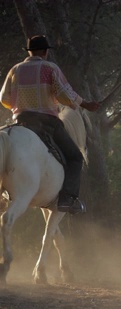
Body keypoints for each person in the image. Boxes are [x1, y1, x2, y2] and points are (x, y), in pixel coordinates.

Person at [0, 35, 100, 214]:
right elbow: (65, 94)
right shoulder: (49, 68)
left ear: (29, 52)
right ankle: (68, 199)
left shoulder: (15, 70)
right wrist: (86, 104)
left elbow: (4, 98)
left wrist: (19, 106)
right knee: (75, 157)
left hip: (21, 121)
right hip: (46, 122)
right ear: (45, 52)